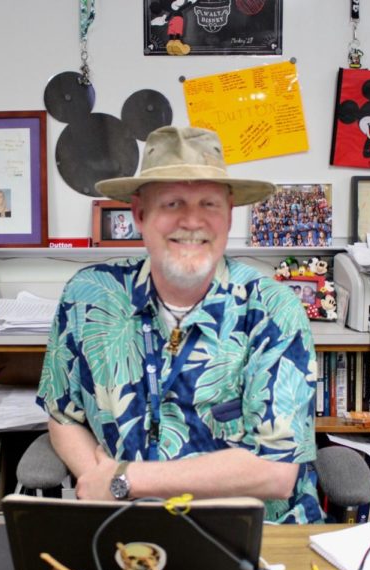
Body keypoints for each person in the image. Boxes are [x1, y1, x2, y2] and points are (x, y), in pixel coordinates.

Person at [36, 126, 322, 523]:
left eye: (209, 203)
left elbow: (276, 472)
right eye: (172, 204)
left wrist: (125, 480)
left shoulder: (273, 309)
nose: (192, 221)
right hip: (123, 526)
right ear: (139, 214)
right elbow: (62, 414)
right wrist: (96, 479)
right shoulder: (88, 296)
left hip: (251, 533)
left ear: (229, 214)